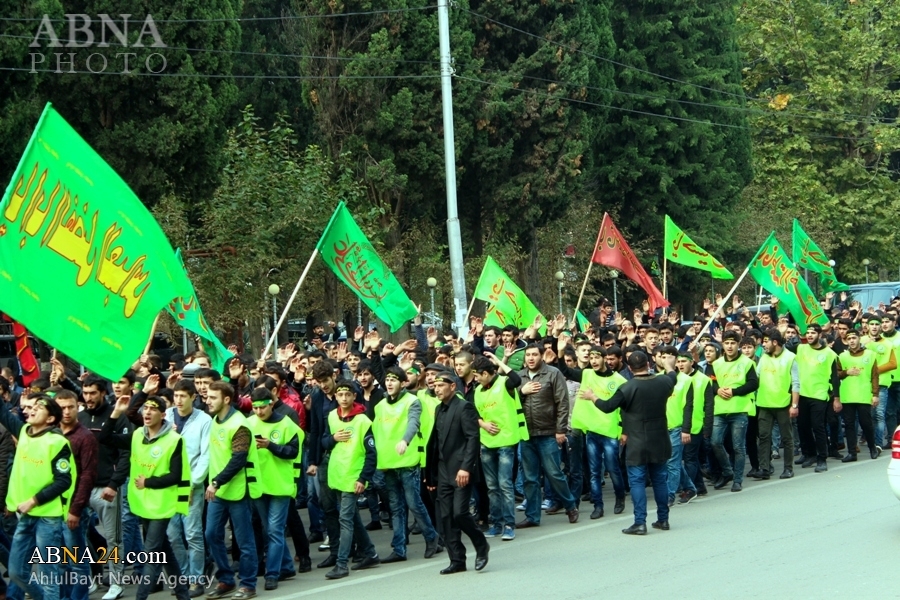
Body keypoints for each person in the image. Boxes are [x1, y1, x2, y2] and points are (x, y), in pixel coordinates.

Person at [98, 395, 192, 600]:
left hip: (162, 505)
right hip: (143, 503)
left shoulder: (174, 440)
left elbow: (175, 476)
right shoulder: (137, 435)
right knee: (163, 550)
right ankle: (183, 594)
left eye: (153, 409)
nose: (147, 412)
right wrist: (116, 412)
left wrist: (148, 482)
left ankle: (140, 597)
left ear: (163, 414)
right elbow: (104, 438)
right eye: (145, 408)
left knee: (150, 554)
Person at [581, 351, 677, 535]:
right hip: (659, 439)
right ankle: (663, 519)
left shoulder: (627, 387)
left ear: (630, 368)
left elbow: (607, 407)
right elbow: (673, 377)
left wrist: (592, 396)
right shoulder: (663, 382)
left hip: (637, 442)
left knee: (637, 482)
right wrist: (668, 365)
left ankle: (640, 522)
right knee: (659, 480)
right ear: (648, 364)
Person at [5, 394, 74, 600]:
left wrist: (33, 501)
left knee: (48, 575)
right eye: (32, 406)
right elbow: (2, 411)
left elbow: (64, 481)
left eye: (40, 407)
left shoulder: (57, 442)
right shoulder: (23, 431)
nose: (32, 409)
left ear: (51, 418)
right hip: (27, 515)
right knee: (16, 572)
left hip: (48, 517)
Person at [372, 366, 441, 562]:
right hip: (388, 463)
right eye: (387, 380)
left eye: (394, 380)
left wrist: (405, 440)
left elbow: (413, 423)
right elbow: (376, 432)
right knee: (396, 507)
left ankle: (432, 537)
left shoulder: (413, 401)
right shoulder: (380, 406)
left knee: (413, 503)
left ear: (403, 383)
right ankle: (399, 549)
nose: (389, 383)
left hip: (408, 461)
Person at [425, 372, 489, 573]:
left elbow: (472, 439)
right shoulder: (439, 409)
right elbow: (436, 443)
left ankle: (481, 545)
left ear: (452, 386)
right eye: (435, 386)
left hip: (461, 470)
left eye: (441, 385)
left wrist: (466, 468)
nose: (437, 389)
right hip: (443, 471)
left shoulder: (464, 407)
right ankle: (457, 560)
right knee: (446, 517)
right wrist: (431, 474)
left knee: (460, 513)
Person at [205, 381, 260, 600]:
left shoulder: (239, 424)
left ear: (226, 399)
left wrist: (216, 482)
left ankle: (248, 584)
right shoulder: (215, 420)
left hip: (237, 490)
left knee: (244, 540)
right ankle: (226, 580)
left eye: (213, 397)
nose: (208, 401)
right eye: (208, 397)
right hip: (218, 492)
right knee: (211, 534)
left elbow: (239, 459)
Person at [321, 379, 380, 580]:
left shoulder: (363, 421)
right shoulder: (331, 416)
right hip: (337, 474)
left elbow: (372, 454)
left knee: (345, 519)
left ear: (354, 396)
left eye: (348, 395)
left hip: (353, 477)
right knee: (352, 517)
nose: (344, 398)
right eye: (340, 395)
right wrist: (333, 439)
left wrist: (363, 478)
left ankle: (341, 563)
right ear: (336, 397)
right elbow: (323, 441)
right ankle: (370, 553)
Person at [247, 388, 304, 590]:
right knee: (270, 530)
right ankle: (286, 566)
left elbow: (293, 452)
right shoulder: (248, 423)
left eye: (262, 407)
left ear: (271, 404)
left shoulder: (286, 424)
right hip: (258, 485)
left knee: (274, 530)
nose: (259, 412)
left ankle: (272, 573)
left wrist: (270, 445)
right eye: (255, 408)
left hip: (280, 485)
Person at [561, 346, 627, 519]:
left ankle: (620, 497)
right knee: (594, 471)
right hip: (591, 431)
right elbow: (565, 371)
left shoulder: (619, 380)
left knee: (613, 469)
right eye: (591, 358)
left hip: (610, 431)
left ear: (605, 358)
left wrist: (624, 431)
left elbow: (625, 409)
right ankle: (598, 505)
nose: (594, 361)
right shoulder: (586, 374)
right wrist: (560, 352)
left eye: (597, 357)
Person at [516, 344, 579, 528]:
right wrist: (521, 392)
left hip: (548, 433)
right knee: (530, 478)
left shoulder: (553, 373)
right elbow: (511, 402)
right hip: (526, 434)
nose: (530, 358)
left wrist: (560, 430)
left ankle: (570, 506)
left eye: (534, 354)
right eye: (528, 355)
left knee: (554, 473)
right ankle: (532, 516)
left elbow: (562, 402)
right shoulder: (519, 377)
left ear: (542, 356)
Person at [165, 379, 211, 598]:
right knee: (172, 535)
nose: (179, 400)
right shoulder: (166, 416)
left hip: (192, 485)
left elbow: (205, 455)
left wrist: (193, 483)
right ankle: (182, 577)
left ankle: (196, 580)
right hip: (168, 486)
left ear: (193, 397)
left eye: (183, 396)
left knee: (192, 534)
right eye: (176, 396)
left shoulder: (204, 420)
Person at [472, 355, 526, 539]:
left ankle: (509, 525)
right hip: (487, 443)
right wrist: (483, 424)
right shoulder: (478, 391)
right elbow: (474, 413)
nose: (475, 379)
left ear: (486, 373)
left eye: (477, 375)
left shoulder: (504, 383)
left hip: (506, 442)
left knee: (504, 485)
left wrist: (499, 361)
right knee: (492, 487)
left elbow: (516, 380)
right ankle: (496, 524)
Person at [708, 330, 759, 492]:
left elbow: (753, 384)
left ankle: (737, 480)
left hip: (739, 409)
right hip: (720, 409)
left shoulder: (747, 363)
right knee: (715, 442)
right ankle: (728, 471)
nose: (730, 346)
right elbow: (711, 382)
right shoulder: (716, 363)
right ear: (722, 344)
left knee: (738, 447)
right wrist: (717, 390)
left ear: (738, 345)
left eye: (733, 343)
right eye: (727, 343)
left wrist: (734, 391)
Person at [795, 324, 840, 472]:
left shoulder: (829, 354)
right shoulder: (801, 348)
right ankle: (810, 454)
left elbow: (835, 378)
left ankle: (822, 458)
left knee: (818, 427)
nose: (809, 335)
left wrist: (836, 398)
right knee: (803, 426)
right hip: (802, 394)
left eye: (813, 333)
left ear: (820, 335)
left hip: (819, 395)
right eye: (807, 333)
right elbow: (783, 347)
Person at [755, 330, 799, 480]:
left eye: (766, 341)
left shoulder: (790, 357)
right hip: (764, 403)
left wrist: (794, 405)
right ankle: (764, 468)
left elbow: (796, 383)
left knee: (787, 438)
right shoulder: (764, 357)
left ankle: (788, 468)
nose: (763, 345)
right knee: (764, 437)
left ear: (775, 342)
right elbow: (757, 376)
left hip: (783, 404)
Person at [836, 329, 881, 461]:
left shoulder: (870, 354)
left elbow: (875, 376)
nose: (851, 341)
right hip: (847, 395)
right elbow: (836, 374)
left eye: (854, 338)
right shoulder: (842, 356)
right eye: (849, 339)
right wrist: (846, 372)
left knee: (866, 423)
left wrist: (875, 394)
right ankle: (852, 453)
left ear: (859, 339)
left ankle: (872, 448)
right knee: (849, 425)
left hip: (864, 394)